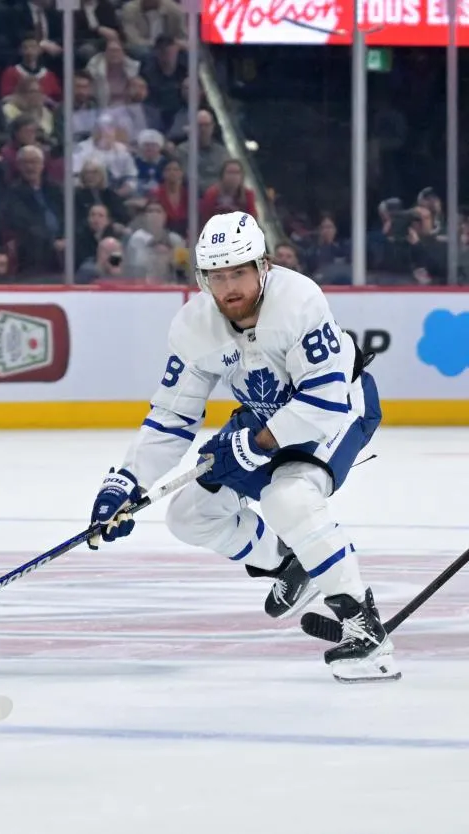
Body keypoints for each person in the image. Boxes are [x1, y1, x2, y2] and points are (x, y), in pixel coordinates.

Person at [86, 212, 395, 684]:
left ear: (263, 267)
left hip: (338, 409)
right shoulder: (194, 325)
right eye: (216, 276)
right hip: (265, 417)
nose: (228, 287)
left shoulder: (299, 301)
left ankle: (364, 627)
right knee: (188, 515)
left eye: (238, 273)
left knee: (287, 497)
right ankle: (291, 564)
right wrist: (128, 480)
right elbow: (172, 413)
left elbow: (324, 398)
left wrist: (255, 445)